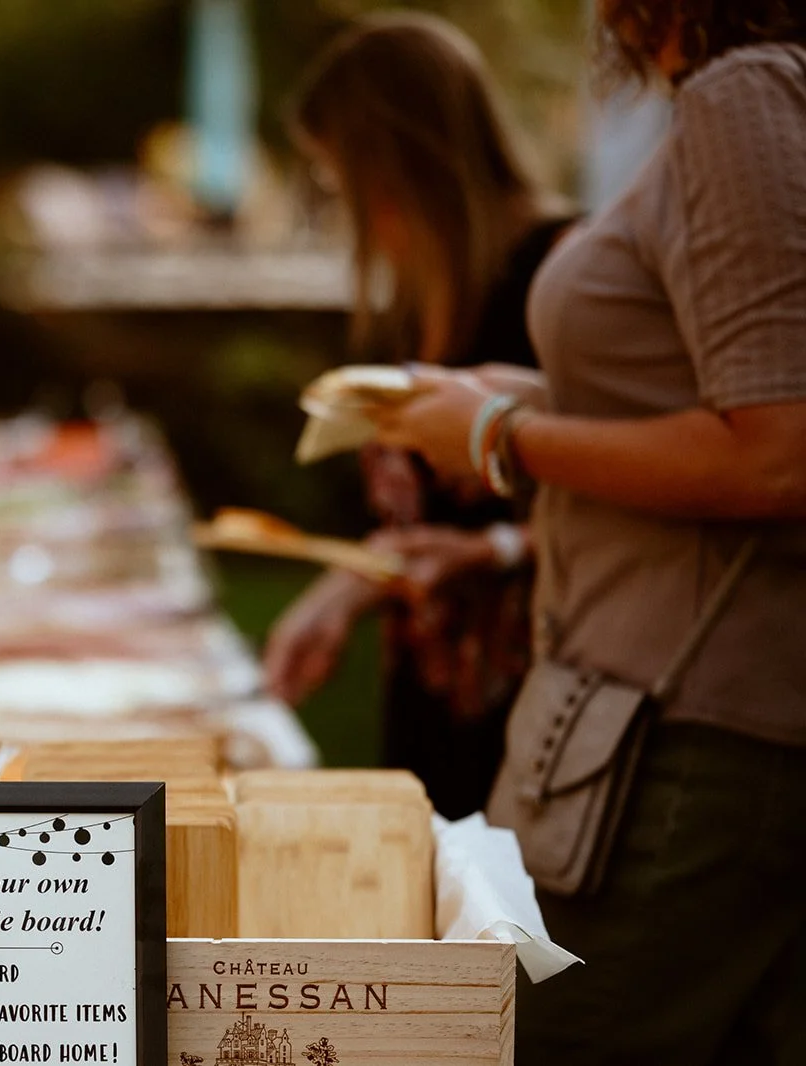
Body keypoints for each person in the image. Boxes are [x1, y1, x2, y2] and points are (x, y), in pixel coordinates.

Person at [374, 1, 806, 1060]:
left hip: (676, 741)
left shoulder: (741, 95)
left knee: (524, 1043)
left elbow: (779, 449)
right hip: (648, 726)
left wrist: (500, 434)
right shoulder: (729, 102)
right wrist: (512, 398)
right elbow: (713, 395)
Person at [263, 13, 575, 819]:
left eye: (341, 181)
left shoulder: (561, 276)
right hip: (428, 695)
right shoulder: (417, 296)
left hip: (538, 702)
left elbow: (645, 490)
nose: (344, 210)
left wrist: (492, 549)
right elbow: (418, 526)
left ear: (396, 163)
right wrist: (347, 588)